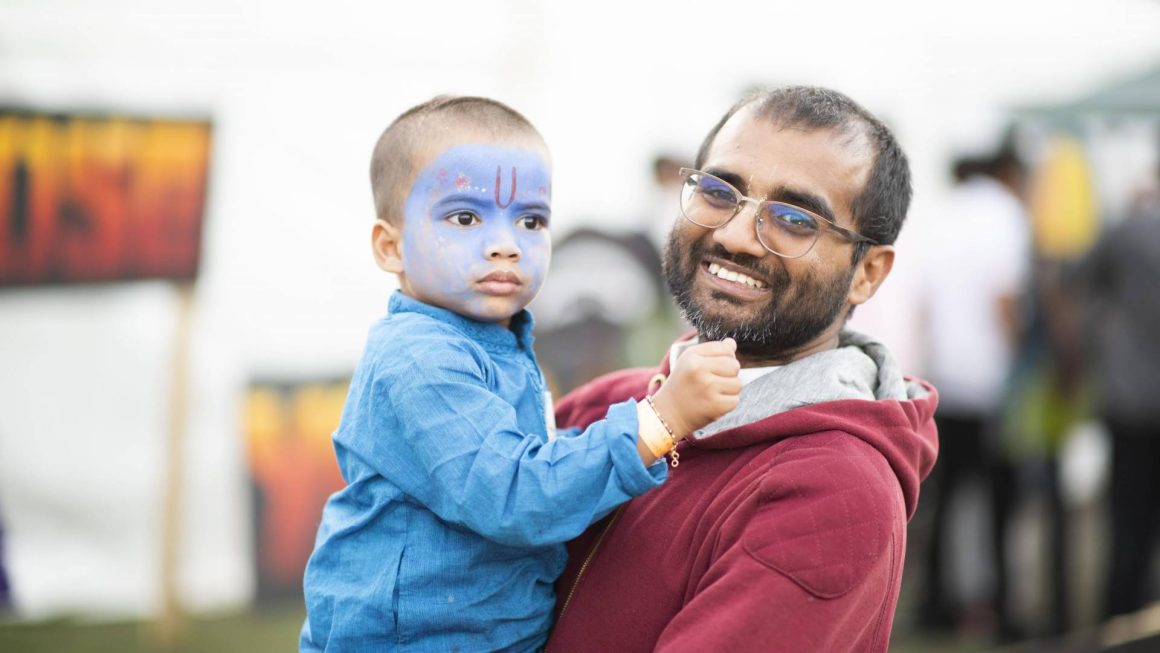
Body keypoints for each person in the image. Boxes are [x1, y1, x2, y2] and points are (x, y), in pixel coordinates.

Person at [299, 95, 742, 653]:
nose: (506, 245)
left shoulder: (491, 339)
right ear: (390, 247)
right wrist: (660, 421)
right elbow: (512, 493)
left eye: (531, 220)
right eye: (465, 217)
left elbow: (521, 454)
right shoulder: (420, 358)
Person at [544, 86, 939, 653]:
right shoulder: (605, 405)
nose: (733, 235)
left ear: (867, 273)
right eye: (718, 191)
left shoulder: (837, 493)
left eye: (794, 219)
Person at [917, 139, 1032, 638]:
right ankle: (1000, 608)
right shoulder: (1005, 212)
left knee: (943, 497)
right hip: (992, 382)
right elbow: (1004, 297)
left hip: (943, 379)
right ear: (1007, 169)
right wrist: (1019, 360)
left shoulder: (942, 214)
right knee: (1002, 503)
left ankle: (935, 605)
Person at [1082, 156, 1160, 621]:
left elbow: (1079, 286)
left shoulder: (1128, 230)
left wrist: (1100, 343)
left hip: (1129, 397)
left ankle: (1120, 621)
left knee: (1127, 524)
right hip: (1134, 395)